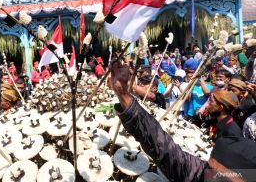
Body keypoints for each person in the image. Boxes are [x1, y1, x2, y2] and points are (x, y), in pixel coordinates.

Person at [109, 60, 256, 182]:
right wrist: (123, 94)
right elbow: (169, 153)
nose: (208, 103)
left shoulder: (234, 135)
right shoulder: (209, 174)